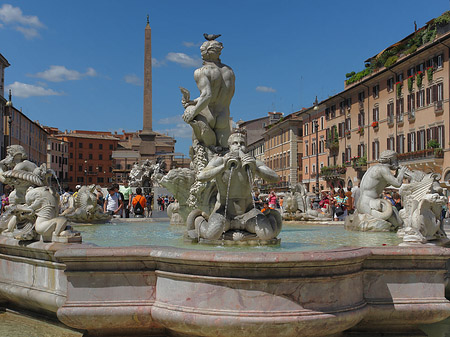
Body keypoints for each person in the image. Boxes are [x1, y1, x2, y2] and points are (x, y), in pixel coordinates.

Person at [190, 132, 280, 240]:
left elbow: (275, 177)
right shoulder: (220, 160)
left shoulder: (253, 161)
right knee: (211, 235)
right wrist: (223, 167)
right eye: (235, 143)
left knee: (267, 235)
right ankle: (199, 220)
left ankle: (271, 217)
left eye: (242, 143)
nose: (238, 146)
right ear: (229, 146)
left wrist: (256, 169)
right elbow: (201, 176)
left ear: (246, 147)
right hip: (225, 212)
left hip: (248, 213)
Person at [181, 37, 235, 151]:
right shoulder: (229, 71)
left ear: (206, 52)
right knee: (223, 154)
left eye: (202, 51)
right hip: (224, 115)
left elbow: (207, 95)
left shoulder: (202, 71)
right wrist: (195, 101)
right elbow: (222, 94)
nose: (201, 54)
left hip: (208, 114)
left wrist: (192, 111)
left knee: (200, 150)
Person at [358, 150, 406, 226]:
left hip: (361, 203)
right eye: (395, 159)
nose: (397, 161)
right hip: (370, 204)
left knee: (394, 211)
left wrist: (397, 174)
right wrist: (402, 172)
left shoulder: (373, 168)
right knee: (397, 221)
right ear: (390, 160)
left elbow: (384, 184)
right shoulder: (383, 169)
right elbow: (397, 184)